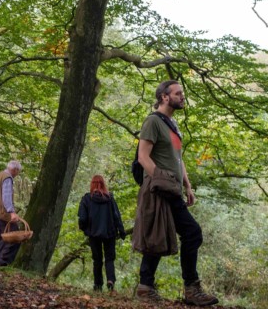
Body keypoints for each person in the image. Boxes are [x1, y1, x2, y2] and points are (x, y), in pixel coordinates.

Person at [134, 80, 218, 306]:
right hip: (160, 190)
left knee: (161, 236)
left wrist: (187, 186)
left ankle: (145, 287)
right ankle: (191, 289)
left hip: (173, 189)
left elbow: (178, 159)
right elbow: (143, 157)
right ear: (164, 97)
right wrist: (162, 181)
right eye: (178, 93)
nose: (182, 96)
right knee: (191, 233)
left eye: (182, 93)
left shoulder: (172, 125)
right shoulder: (153, 121)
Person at [78, 175, 125, 292]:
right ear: (104, 184)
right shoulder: (110, 198)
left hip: (93, 234)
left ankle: (98, 285)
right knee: (109, 258)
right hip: (110, 233)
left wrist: (84, 229)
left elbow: (82, 218)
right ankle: (110, 280)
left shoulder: (86, 199)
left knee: (97, 260)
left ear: (92, 184)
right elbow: (116, 216)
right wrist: (121, 231)